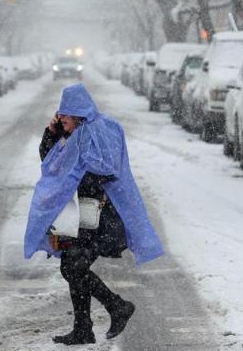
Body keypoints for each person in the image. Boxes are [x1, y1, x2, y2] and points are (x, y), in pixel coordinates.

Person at [24, 83, 164, 346]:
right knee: (72, 264)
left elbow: (107, 168)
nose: (61, 117)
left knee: (73, 266)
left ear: (78, 112)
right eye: (60, 113)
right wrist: (52, 133)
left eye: (65, 113)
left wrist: (78, 175)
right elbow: (50, 161)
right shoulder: (71, 135)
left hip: (103, 214)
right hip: (80, 215)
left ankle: (115, 308)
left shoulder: (101, 129)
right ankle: (85, 327)